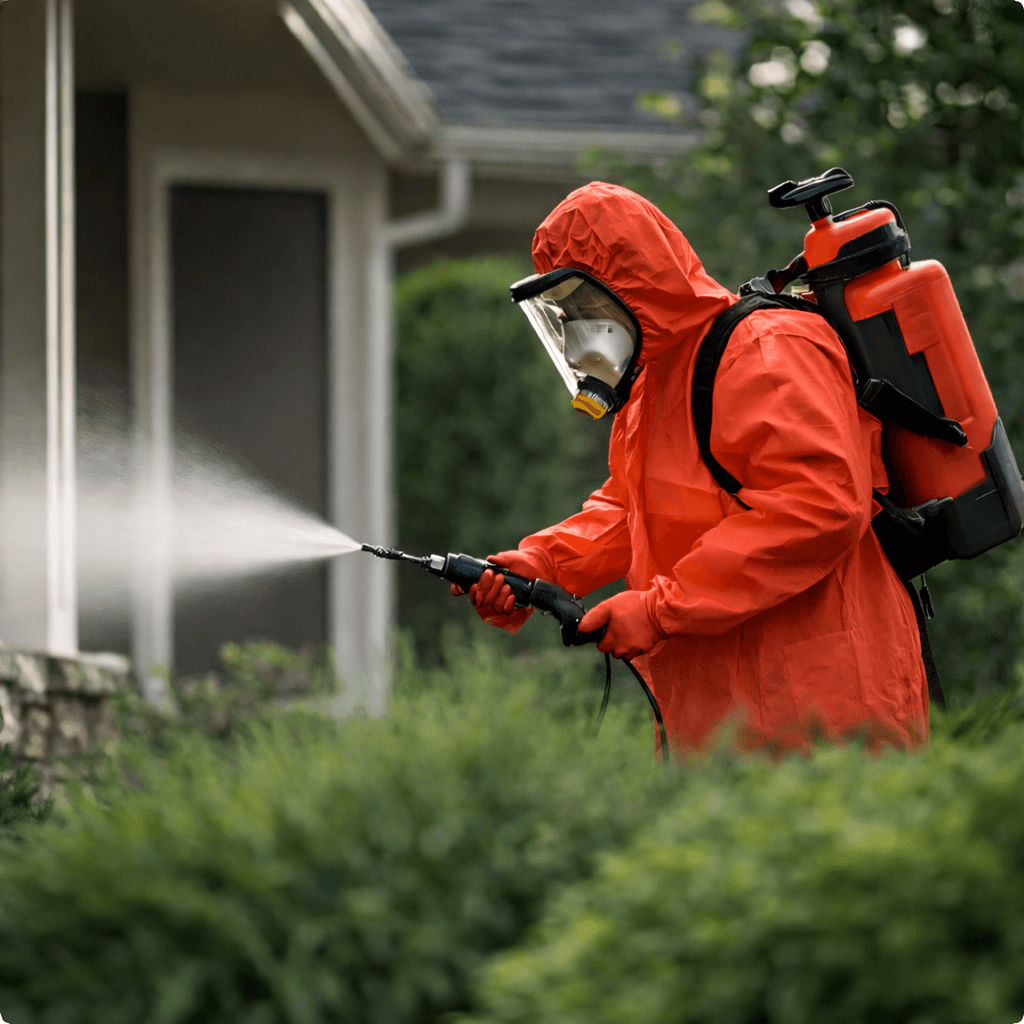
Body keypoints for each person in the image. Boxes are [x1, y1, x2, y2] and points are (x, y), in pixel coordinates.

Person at [456, 181, 930, 755]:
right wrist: (545, 563)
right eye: (566, 313)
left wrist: (659, 609)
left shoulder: (765, 348)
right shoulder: (655, 380)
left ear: (630, 279)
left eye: (582, 305)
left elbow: (818, 505)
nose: (580, 332)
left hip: (824, 710)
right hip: (719, 723)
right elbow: (632, 505)